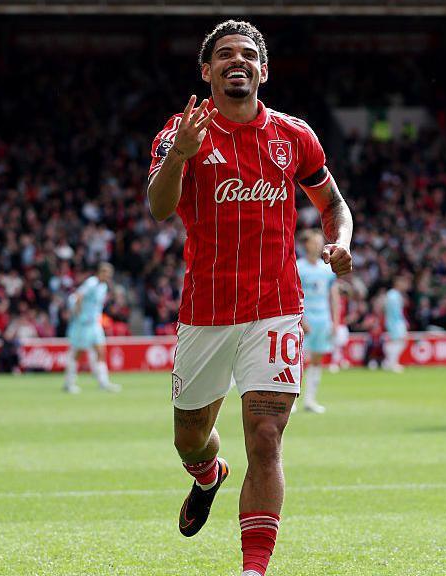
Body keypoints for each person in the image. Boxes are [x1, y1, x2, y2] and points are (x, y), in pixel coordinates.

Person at [145, 20, 353, 576]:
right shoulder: (180, 131)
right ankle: (208, 474)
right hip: (207, 311)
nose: (237, 60)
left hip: (275, 309)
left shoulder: (294, 135)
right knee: (190, 438)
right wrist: (180, 155)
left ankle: (253, 569)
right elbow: (159, 208)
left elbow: (333, 204)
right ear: (207, 70)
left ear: (263, 69)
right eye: (224, 54)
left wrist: (340, 240)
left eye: (247, 54)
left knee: (265, 437)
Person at [296, 230, 340, 413]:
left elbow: (334, 296)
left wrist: (335, 321)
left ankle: (310, 400)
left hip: (323, 319)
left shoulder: (327, 270)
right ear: (306, 244)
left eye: (319, 242)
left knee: (316, 360)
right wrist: (301, 319)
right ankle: (291, 402)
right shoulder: (298, 267)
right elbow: (294, 295)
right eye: (314, 242)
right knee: (296, 360)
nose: (317, 245)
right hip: (304, 319)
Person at [63, 263, 120, 393]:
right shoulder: (91, 283)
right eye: (105, 273)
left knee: (101, 352)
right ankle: (69, 383)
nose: (107, 276)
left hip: (95, 324)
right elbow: (78, 296)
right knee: (77, 353)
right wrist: (78, 314)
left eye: (109, 274)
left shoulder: (103, 287)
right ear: (99, 272)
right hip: (84, 324)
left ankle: (103, 383)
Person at [383, 275, 410, 372]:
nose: (405, 285)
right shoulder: (394, 295)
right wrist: (402, 321)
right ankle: (392, 363)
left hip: (394, 322)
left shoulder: (392, 294)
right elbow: (395, 312)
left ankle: (388, 362)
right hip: (395, 323)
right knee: (398, 342)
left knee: (397, 342)